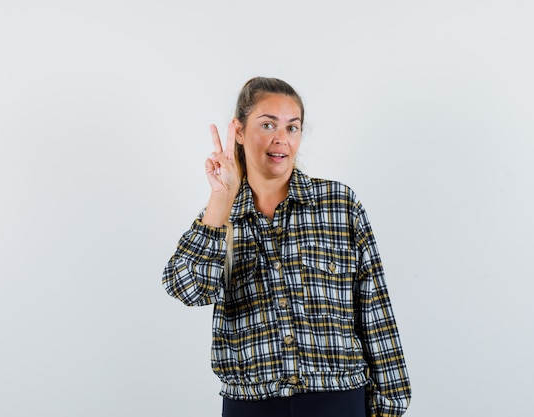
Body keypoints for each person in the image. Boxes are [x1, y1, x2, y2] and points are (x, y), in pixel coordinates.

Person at [161, 77, 411, 417]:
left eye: (292, 128)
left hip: (337, 399)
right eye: (267, 125)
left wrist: (389, 405)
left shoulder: (339, 205)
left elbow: (374, 308)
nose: (281, 139)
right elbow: (187, 289)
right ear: (238, 130)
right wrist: (221, 197)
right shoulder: (220, 217)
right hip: (250, 404)